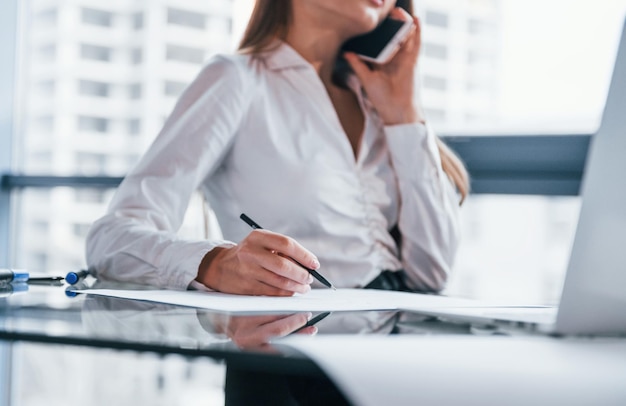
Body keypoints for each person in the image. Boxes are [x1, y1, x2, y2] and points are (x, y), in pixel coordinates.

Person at [86, 0, 469, 297]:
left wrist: (404, 115)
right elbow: (111, 239)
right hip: (286, 364)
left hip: (388, 360)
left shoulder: (379, 103)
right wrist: (215, 264)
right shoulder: (236, 81)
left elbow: (432, 273)